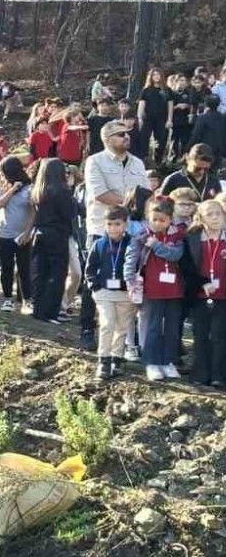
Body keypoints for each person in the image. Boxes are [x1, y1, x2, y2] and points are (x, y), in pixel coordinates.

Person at [80, 121, 148, 349]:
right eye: (120, 134)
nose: (126, 137)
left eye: (127, 134)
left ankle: (129, 334)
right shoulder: (95, 161)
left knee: (129, 279)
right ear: (107, 139)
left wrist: (141, 204)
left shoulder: (138, 163)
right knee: (94, 279)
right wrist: (129, 202)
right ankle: (87, 328)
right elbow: (100, 194)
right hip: (102, 230)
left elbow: (145, 193)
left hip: (131, 231)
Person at [124, 196, 185, 382]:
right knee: (153, 325)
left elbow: (176, 255)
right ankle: (151, 362)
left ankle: (168, 361)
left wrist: (157, 245)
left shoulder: (178, 235)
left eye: (162, 220)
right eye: (154, 219)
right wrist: (129, 279)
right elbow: (131, 257)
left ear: (170, 219)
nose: (158, 223)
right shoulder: (141, 235)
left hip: (174, 289)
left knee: (172, 327)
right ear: (148, 217)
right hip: (152, 288)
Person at [86, 206, 136, 380]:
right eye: (109, 224)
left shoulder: (132, 243)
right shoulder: (99, 244)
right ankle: (104, 360)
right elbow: (90, 268)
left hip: (125, 293)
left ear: (126, 224)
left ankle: (117, 358)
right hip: (104, 292)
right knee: (107, 324)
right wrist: (95, 286)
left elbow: (138, 266)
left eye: (117, 224)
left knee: (122, 327)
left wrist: (133, 287)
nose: (113, 228)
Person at [185, 200, 226, 387]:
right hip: (200, 295)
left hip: (223, 296)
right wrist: (202, 283)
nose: (215, 217)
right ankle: (200, 374)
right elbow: (187, 267)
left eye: (218, 213)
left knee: (219, 335)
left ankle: (219, 375)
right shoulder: (192, 238)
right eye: (210, 214)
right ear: (201, 218)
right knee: (200, 334)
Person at [31, 159, 76, 324]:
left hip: (41, 232)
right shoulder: (62, 191)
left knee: (41, 272)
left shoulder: (39, 190)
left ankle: (38, 309)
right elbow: (70, 213)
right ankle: (50, 312)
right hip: (57, 234)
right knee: (57, 273)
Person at [0, 156, 34, 313]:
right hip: (4, 232)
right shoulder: (1, 185)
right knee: (7, 267)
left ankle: (26, 300)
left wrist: (28, 232)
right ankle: (7, 299)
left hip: (23, 234)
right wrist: (11, 190)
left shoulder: (29, 187)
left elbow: (33, 212)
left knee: (24, 267)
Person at [137, 69, 169, 162]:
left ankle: (158, 160)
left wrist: (169, 119)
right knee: (144, 138)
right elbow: (141, 104)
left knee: (161, 139)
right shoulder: (146, 90)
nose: (156, 76)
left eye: (158, 74)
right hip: (147, 119)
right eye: (154, 75)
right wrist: (140, 118)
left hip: (161, 119)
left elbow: (170, 105)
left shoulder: (166, 90)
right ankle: (144, 159)